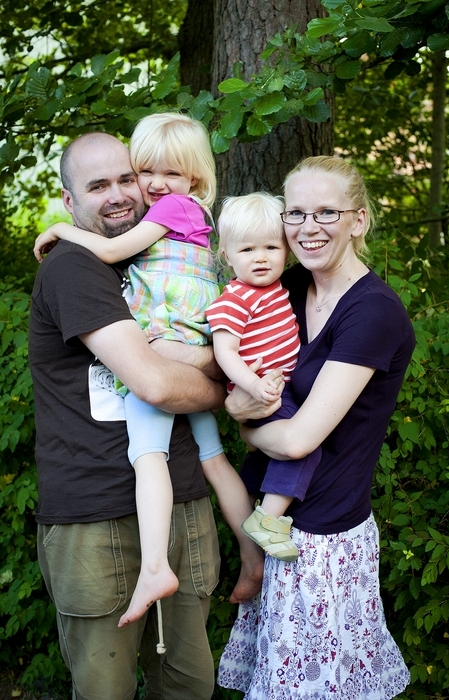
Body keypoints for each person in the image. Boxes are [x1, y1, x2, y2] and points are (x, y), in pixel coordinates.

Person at [28, 131, 269, 700]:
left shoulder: (170, 250)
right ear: (70, 202)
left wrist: (209, 363)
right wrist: (223, 386)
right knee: (106, 689)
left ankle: (250, 552)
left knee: (189, 685)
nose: (118, 194)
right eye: (97, 185)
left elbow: (215, 344)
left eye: (126, 178)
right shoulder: (72, 268)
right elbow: (157, 384)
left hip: (183, 504)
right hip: (95, 515)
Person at [218, 156, 414, 698]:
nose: (308, 227)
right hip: (277, 524)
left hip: (323, 538)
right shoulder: (286, 288)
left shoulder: (372, 312)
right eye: (296, 213)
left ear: (359, 219)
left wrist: (243, 424)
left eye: (327, 212)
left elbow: (301, 437)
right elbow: (237, 365)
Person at [205, 192, 322, 562]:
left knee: (270, 455)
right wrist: (252, 385)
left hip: (278, 386)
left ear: (286, 250)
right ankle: (267, 520)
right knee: (303, 446)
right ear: (226, 255)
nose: (260, 258)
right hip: (262, 389)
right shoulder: (234, 299)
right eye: (247, 250)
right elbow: (225, 352)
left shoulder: (278, 289)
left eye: (271, 247)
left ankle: (252, 490)